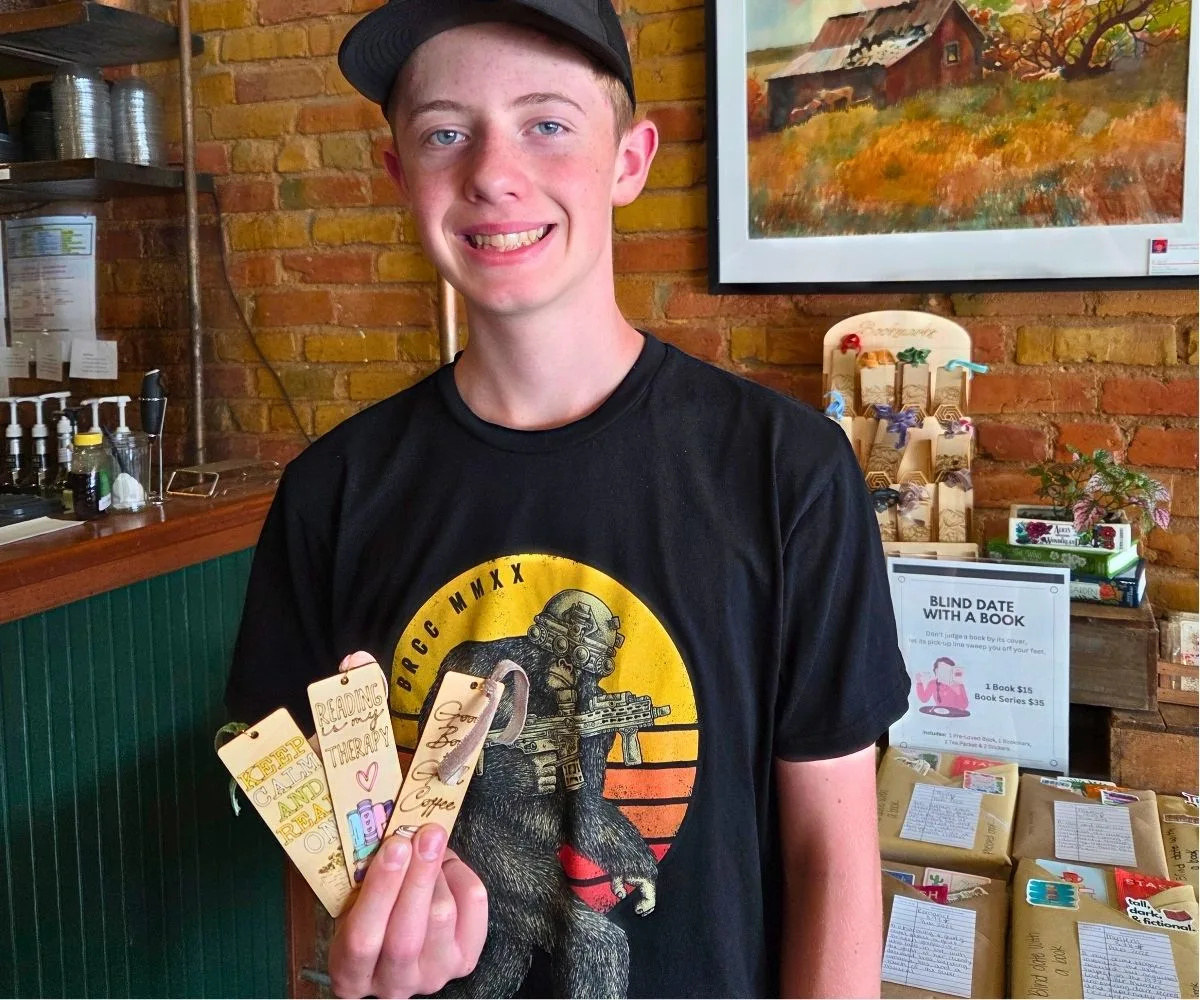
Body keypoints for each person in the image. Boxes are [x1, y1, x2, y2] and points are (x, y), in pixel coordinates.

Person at [223, 1, 911, 996]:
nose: (494, 174)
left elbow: (834, 856)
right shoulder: (333, 492)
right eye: (445, 133)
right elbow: (320, 849)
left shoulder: (786, 471)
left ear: (629, 160)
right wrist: (366, 941)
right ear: (399, 178)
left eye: (547, 123)